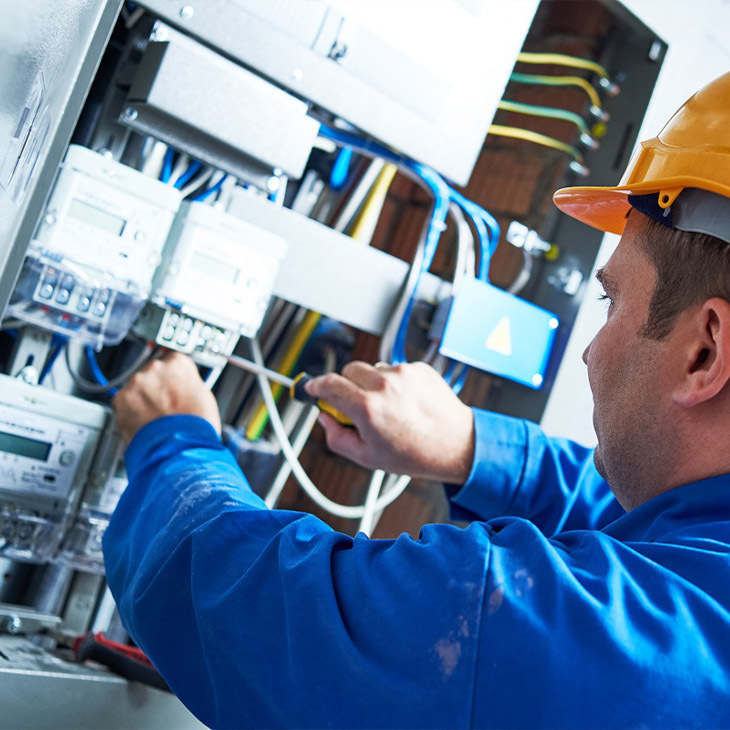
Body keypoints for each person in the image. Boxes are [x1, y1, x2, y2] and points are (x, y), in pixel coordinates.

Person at [104, 73, 730, 729]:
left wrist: (173, 440)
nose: (591, 352)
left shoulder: (571, 640)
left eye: (613, 302)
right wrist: (471, 446)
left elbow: (261, 612)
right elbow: (664, 529)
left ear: (705, 352)